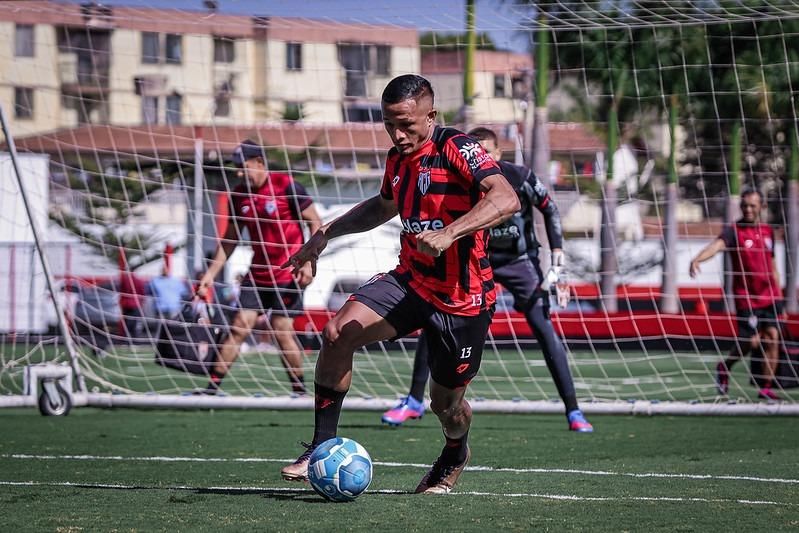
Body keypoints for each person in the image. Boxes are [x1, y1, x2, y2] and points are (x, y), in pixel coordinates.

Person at [279, 74, 519, 494]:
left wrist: (449, 233)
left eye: (406, 124)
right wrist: (325, 234)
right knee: (337, 333)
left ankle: (455, 452)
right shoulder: (397, 159)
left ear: (431, 116)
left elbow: (505, 198)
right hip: (410, 281)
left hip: (463, 300)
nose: (398, 133)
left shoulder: (458, 147)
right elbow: (384, 205)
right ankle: (320, 446)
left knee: (446, 404)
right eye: (389, 123)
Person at [381, 127, 593, 433]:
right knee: (435, 318)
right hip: (476, 262)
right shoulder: (459, 174)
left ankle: (573, 410)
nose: (477, 156)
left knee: (543, 328)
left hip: (520, 262)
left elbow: (549, 208)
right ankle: (414, 401)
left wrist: (557, 255)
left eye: (485, 151)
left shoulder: (518, 178)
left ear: (496, 154)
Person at [197, 139, 322, 395]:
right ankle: (211, 388)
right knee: (239, 326)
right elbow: (230, 239)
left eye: (244, 167)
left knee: (281, 331)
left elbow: (316, 223)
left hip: (289, 273)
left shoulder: (286, 186)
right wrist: (210, 274)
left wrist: (309, 261)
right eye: (237, 169)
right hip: (258, 275)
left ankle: (299, 391)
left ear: (259, 163)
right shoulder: (239, 195)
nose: (240, 173)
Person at [689, 188, 784, 400]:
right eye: (745, 206)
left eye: (752, 205)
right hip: (746, 298)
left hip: (770, 297)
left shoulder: (767, 231)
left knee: (773, 338)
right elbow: (716, 246)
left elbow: (773, 265)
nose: (748, 209)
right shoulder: (734, 231)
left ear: (762, 207)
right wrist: (697, 259)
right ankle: (725, 366)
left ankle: (766, 388)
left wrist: (779, 296)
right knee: (751, 341)